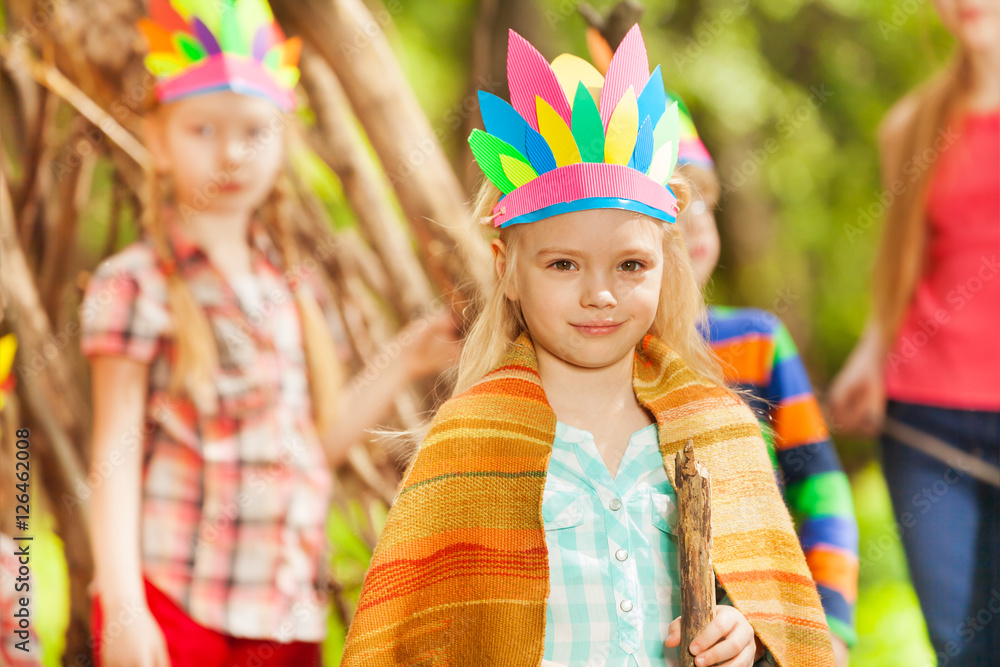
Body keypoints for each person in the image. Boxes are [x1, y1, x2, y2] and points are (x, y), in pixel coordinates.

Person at [341, 25, 833, 667]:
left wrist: (750, 645)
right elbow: (404, 645)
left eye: (630, 266)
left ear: (666, 262)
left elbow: (786, 635)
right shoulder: (467, 445)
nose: (600, 294)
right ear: (508, 268)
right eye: (564, 265)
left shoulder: (718, 432)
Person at [81, 1, 460, 665]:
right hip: (176, 600)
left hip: (283, 611)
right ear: (161, 141)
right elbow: (113, 451)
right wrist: (123, 603)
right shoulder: (133, 283)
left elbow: (316, 443)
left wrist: (404, 359)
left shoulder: (292, 289)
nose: (231, 152)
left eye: (254, 131)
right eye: (203, 130)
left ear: (282, 139)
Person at [829, 0, 999, 664]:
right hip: (927, 422)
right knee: (959, 645)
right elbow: (900, 265)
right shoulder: (911, 126)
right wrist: (870, 357)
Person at [669, 99, 858, 667]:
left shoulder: (757, 340)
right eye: (673, 203)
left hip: (772, 635)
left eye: (703, 197)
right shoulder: (609, 362)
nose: (696, 216)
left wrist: (834, 623)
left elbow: (820, 487)